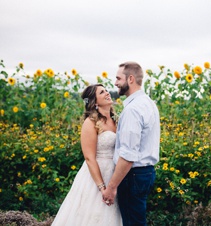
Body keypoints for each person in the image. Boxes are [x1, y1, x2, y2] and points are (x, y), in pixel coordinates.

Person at [51, 84, 123, 225]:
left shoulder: (117, 120)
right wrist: (102, 187)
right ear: (95, 102)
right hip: (96, 175)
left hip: (115, 174)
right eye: (102, 92)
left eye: (107, 90)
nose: (107, 93)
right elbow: (89, 158)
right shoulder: (90, 123)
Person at [102, 61, 161, 226]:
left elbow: (128, 155)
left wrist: (112, 187)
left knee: (132, 222)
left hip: (132, 176)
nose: (115, 83)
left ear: (130, 79)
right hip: (145, 173)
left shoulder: (133, 110)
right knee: (136, 220)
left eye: (118, 78)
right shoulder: (148, 103)